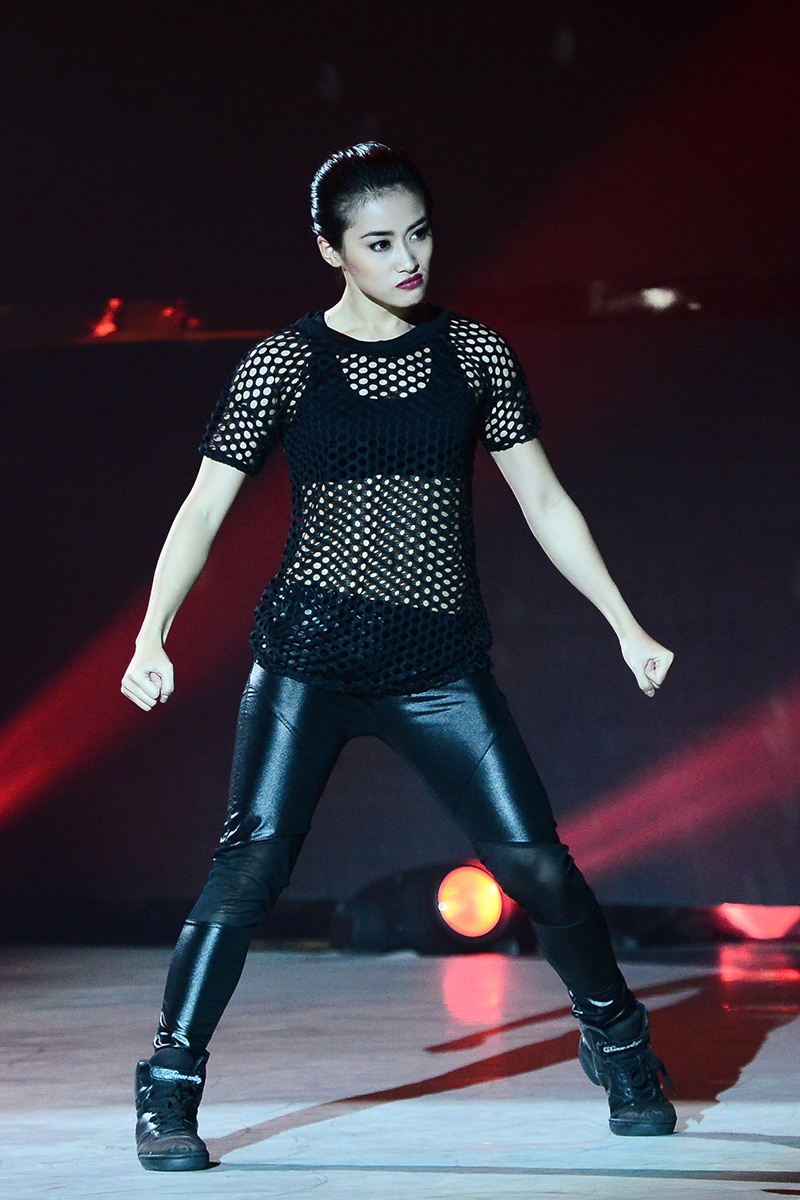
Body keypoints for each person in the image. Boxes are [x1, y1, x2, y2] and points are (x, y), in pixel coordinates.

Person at [121, 141, 677, 1172]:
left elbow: (544, 499)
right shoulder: (284, 363)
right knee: (248, 867)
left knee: (537, 866)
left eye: (418, 233)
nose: (408, 257)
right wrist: (151, 634)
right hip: (309, 655)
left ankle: (619, 1043)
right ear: (330, 249)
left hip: (437, 664)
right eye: (378, 242)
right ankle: (168, 1083)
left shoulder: (472, 354)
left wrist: (623, 622)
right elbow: (202, 509)